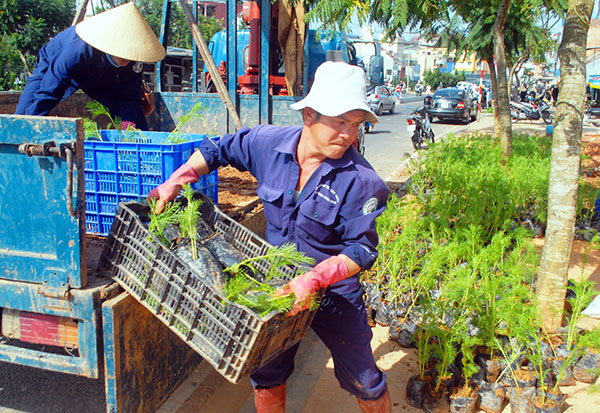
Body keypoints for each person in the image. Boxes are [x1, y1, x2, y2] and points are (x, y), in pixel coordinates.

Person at [148, 61, 392, 412]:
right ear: (309, 115)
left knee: (364, 379)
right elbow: (219, 149)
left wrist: (315, 279)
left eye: (355, 125)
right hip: (274, 287)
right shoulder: (267, 144)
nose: (348, 135)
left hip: (332, 292)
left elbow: (362, 249)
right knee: (267, 372)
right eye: (340, 122)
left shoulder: (363, 181)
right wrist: (178, 179)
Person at [15, 2, 165, 130]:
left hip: (99, 76)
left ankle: (142, 152)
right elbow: (51, 87)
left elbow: (130, 94)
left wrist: (129, 124)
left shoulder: (133, 59)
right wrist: (33, 122)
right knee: (24, 116)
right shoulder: (78, 49)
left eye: (130, 55)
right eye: (123, 54)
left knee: (133, 115)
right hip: (54, 67)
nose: (127, 59)